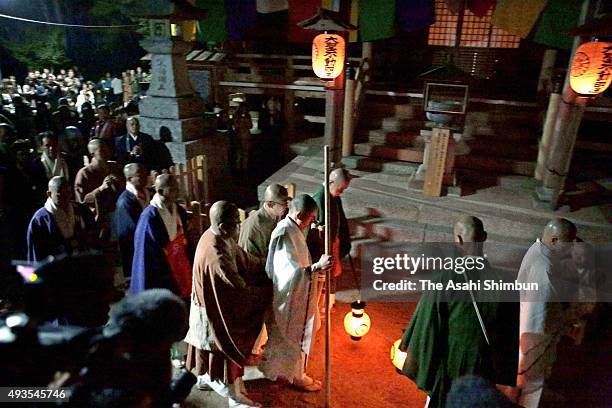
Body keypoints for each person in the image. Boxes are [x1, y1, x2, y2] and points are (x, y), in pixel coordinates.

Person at [399, 216, 519, 408]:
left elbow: (428, 328)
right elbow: (510, 335)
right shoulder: (505, 282)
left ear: (458, 240)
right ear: (485, 237)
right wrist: (504, 374)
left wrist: (421, 365)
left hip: (452, 363)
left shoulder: (445, 278)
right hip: (485, 366)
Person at [185, 201, 271, 408]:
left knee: (210, 352)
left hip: (208, 305)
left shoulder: (218, 236)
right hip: (214, 312)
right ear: (223, 226)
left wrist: (266, 262)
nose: (239, 227)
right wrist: (264, 292)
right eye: (236, 223)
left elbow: (244, 258)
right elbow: (238, 289)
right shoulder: (216, 254)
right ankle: (233, 395)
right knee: (226, 348)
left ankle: (206, 378)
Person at [260, 194, 333, 392]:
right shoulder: (285, 233)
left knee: (284, 338)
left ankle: (277, 371)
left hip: (296, 294)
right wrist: (316, 267)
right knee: (292, 337)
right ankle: (296, 376)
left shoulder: (293, 228)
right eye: (311, 219)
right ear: (300, 215)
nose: (312, 223)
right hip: (288, 298)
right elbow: (288, 273)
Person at [516, 218, 576, 408]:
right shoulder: (544, 272)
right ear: (555, 241)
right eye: (569, 242)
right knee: (532, 383)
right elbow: (536, 319)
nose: (572, 246)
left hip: (532, 325)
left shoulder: (538, 249)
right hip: (536, 338)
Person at [238, 183, 290, 354]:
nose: (286, 207)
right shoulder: (253, 226)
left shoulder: (276, 218)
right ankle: (251, 351)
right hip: (256, 279)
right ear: (269, 204)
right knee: (256, 319)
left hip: (270, 276)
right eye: (282, 204)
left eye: (287, 202)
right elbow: (247, 260)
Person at [129, 174, 191, 299]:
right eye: (173, 189)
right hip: (161, 266)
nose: (178, 191)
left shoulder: (178, 210)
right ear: (160, 191)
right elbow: (146, 251)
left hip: (179, 261)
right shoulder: (149, 217)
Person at [310, 167, 352, 310]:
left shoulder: (333, 197)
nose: (341, 192)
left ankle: (327, 304)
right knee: (323, 280)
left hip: (333, 245)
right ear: (331, 181)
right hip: (323, 249)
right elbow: (319, 232)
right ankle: (320, 307)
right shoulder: (319, 200)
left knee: (330, 277)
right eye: (340, 189)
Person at [26, 176, 95, 261]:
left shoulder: (80, 210)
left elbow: (92, 236)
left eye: (68, 193)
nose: (66, 198)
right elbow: (36, 255)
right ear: (49, 194)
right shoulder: (40, 219)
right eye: (60, 195)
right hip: (55, 269)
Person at [74, 138, 123, 239]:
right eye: (102, 150)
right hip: (101, 220)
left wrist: (119, 181)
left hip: (119, 214)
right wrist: (100, 189)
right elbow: (82, 201)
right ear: (92, 154)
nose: (106, 152)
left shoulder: (115, 166)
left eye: (106, 148)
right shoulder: (84, 173)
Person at [112, 163, 151, 278]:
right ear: (130, 179)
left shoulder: (148, 193)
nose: (145, 177)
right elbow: (132, 231)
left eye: (145, 174)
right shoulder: (125, 202)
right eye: (140, 175)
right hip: (135, 252)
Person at [232, 103, 252, 171]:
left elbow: (250, 126)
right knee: (239, 153)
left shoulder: (248, 116)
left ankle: (244, 167)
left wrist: (246, 121)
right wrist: (240, 122)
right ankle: (238, 167)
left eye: (245, 109)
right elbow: (235, 126)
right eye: (243, 108)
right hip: (239, 137)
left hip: (246, 136)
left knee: (245, 152)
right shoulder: (236, 116)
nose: (244, 110)